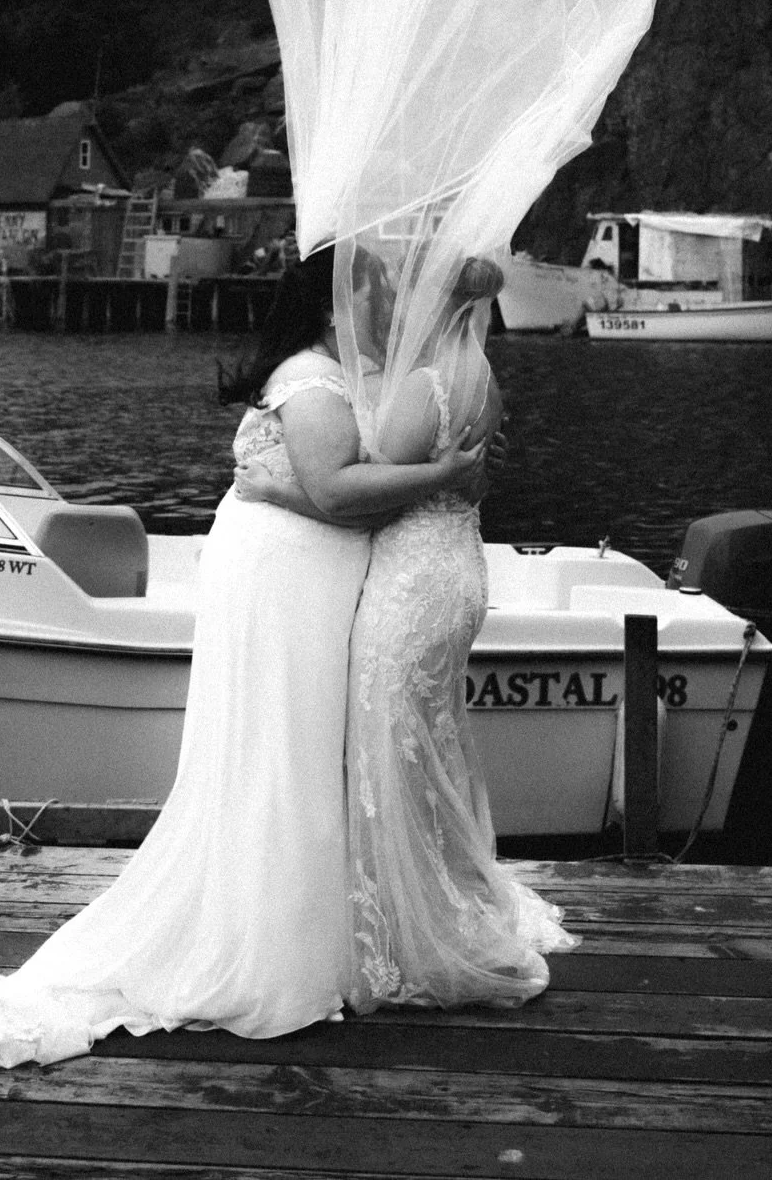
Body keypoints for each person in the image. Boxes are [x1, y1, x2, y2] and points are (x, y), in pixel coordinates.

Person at [0, 246, 485, 1067]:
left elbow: (310, 486)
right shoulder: (313, 380)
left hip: (296, 578)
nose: (389, 305)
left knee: (292, 748)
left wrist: (287, 485)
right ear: (334, 304)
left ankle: (310, 925)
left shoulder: (328, 377)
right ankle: (271, 943)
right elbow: (337, 493)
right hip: (284, 583)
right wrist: (442, 472)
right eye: (376, 290)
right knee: (280, 749)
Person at [239, 252, 576, 1011]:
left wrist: (277, 490)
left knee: (386, 749)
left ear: (433, 299)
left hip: (413, 581)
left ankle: (405, 927)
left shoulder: (425, 384)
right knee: (426, 741)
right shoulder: (478, 372)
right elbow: (449, 477)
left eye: (405, 290)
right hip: (455, 568)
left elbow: (365, 498)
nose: (392, 301)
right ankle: (427, 900)